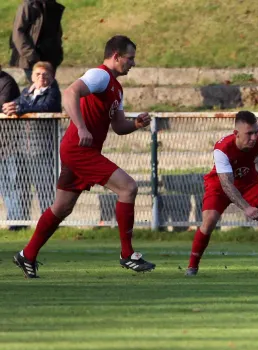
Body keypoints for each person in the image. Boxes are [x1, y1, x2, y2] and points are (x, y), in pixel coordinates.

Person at [13, 35, 154, 278]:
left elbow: (119, 127)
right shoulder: (100, 75)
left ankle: (27, 254)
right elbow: (70, 93)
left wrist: (136, 124)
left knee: (62, 207)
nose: (133, 63)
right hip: (79, 148)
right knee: (128, 188)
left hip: (80, 149)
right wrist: (81, 127)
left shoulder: (116, 89)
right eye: (130, 59)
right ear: (116, 56)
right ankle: (127, 254)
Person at [185, 110, 258, 276]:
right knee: (209, 221)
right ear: (236, 133)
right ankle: (192, 266)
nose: (254, 138)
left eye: (256, 132)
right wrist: (247, 207)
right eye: (249, 134)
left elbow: (252, 157)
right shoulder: (222, 149)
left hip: (248, 183)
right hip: (219, 186)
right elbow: (227, 185)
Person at [2, 61, 61, 230]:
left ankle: (49, 224)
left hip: (42, 149)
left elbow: (46, 107)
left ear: (52, 77)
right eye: (37, 74)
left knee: (45, 189)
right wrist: (10, 107)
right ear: (32, 76)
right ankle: (19, 224)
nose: (41, 78)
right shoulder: (27, 93)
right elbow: (17, 105)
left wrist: (19, 109)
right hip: (22, 149)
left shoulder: (52, 92)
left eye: (45, 74)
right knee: (21, 187)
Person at [9, 0, 65, 83]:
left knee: (49, 88)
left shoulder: (53, 7)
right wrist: (31, 55)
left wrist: (58, 53)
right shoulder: (28, 6)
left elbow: (57, 32)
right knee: (38, 87)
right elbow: (18, 33)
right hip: (32, 58)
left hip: (50, 58)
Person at [0, 66, 23, 231]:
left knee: (12, 184)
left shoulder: (6, 82)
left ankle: (17, 222)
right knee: (5, 185)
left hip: (9, 144)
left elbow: (3, 105)